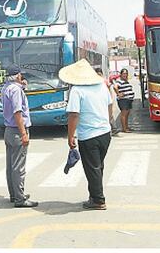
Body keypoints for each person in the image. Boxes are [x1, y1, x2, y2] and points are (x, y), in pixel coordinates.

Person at [59, 59, 113, 210]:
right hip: (105, 133)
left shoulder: (77, 90)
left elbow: (74, 115)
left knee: (92, 168)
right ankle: (94, 195)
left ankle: (98, 199)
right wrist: (108, 122)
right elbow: (109, 105)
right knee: (98, 166)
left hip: (89, 135)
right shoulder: (102, 86)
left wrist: (70, 136)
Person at [1, 64, 38, 208]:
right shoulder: (16, 90)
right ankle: (19, 198)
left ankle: (14, 194)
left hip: (8, 130)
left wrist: (22, 86)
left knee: (11, 166)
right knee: (18, 167)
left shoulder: (6, 88)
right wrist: (24, 133)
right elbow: (18, 112)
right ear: (17, 76)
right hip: (17, 130)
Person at [113, 68, 135, 133]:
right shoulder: (119, 81)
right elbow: (115, 87)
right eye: (124, 73)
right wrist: (118, 94)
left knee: (127, 114)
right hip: (123, 100)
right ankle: (124, 129)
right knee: (124, 114)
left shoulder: (126, 81)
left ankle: (126, 127)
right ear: (121, 74)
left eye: (126, 73)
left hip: (128, 100)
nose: (125, 75)